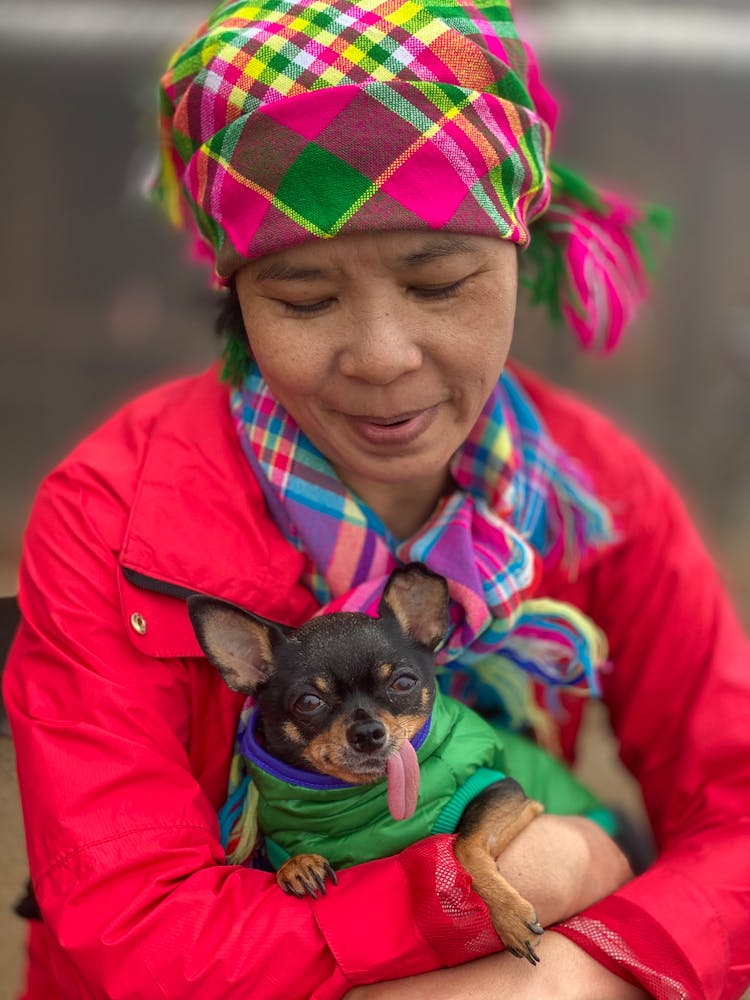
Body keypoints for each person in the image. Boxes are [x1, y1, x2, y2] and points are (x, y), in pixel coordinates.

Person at [4, 0, 749, 997]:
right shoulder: (111, 516)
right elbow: (134, 931)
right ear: (234, 300)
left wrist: (586, 969)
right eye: (304, 300)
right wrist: (525, 877)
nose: (384, 358)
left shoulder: (595, 492)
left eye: (439, 283)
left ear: (519, 258)